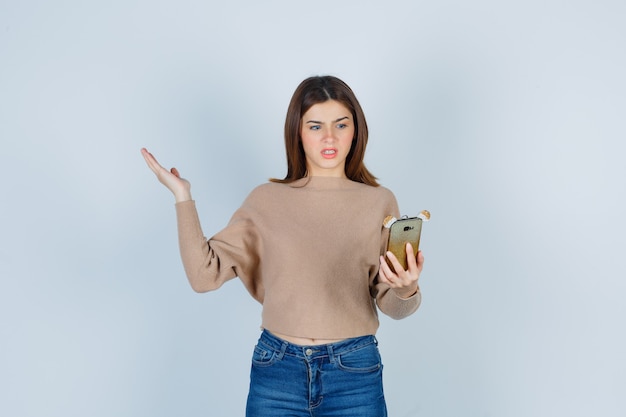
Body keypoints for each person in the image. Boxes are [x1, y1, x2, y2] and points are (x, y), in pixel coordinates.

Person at [141, 75, 425, 416]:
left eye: (341, 124)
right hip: (277, 371)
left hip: (354, 373)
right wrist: (182, 197)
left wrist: (407, 289)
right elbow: (203, 276)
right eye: (316, 126)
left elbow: (394, 307)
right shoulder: (266, 201)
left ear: (356, 130)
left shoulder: (379, 202)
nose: (330, 137)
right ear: (298, 132)